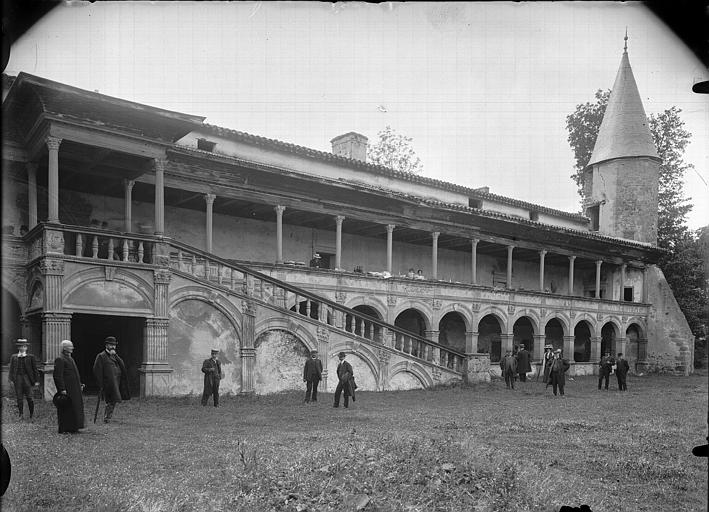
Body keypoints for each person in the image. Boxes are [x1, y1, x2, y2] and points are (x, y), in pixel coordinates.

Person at [93, 336, 130, 423]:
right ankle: (107, 418)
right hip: (108, 383)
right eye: (111, 345)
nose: (113, 347)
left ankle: (107, 417)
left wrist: (116, 355)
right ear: (106, 346)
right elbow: (96, 370)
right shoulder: (101, 356)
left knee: (113, 400)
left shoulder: (115, 356)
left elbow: (122, 365)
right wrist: (101, 383)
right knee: (110, 400)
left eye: (114, 345)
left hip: (117, 382)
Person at [53, 340, 85, 433]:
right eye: (70, 346)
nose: (72, 348)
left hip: (74, 388)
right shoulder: (60, 359)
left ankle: (74, 427)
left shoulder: (70, 358)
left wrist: (79, 384)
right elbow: (57, 376)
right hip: (67, 389)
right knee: (66, 409)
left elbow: (74, 374)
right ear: (65, 348)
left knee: (75, 408)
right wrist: (62, 389)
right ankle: (65, 428)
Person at [8, 339, 39, 419]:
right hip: (17, 378)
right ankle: (21, 414)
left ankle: (31, 414)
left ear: (26, 348)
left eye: (24, 346)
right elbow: (11, 369)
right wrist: (10, 379)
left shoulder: (30, 357)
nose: (22, 348)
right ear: (18, 348)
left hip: (27, 378)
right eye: (21, 346)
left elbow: (35, 369)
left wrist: (36, 381)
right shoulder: (14, 357)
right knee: (19, 397)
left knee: (29, 397)